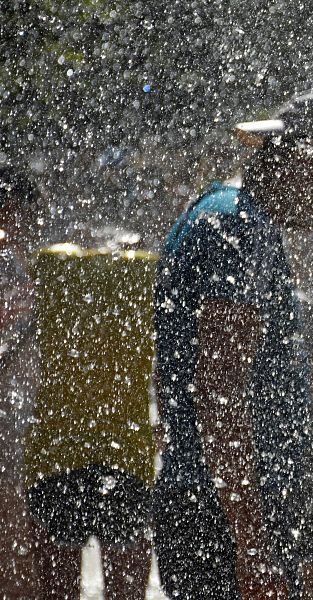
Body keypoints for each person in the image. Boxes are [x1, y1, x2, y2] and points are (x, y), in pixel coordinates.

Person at [152, 89, 313, 600]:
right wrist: (251, 542)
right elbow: (220, 390)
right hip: (231, 517)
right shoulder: (238, 227)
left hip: (215, 501)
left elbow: (176, 377)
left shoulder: (225, 212)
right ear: (312, 157)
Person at [24, 243, 157, 600]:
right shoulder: (145, 273)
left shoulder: (50, 267)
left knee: (56, 594)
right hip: (127, 458)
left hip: (55, 457)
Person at [0, 165, 41, 598]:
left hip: (19, 430)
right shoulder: (7, 265)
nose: (35, 226)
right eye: (31, 215)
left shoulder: (19, 264)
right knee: (13, 546)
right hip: (7, 432)